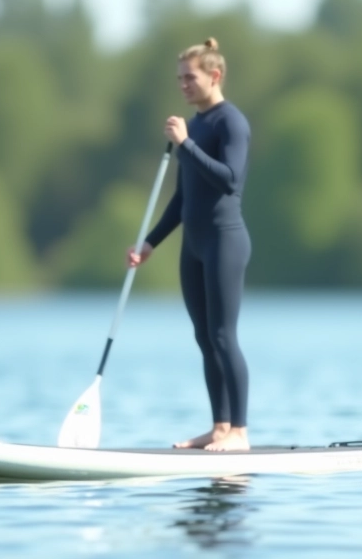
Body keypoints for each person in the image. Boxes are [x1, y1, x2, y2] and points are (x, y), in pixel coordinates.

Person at [127, 37, 253, 452]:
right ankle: (219, 427)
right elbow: (184, 198)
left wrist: (186, 145)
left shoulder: (229, 123)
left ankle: (240, 432)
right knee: (203, 336)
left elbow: (230, 180)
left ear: (214, 76)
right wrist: (150, 243)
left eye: (190, 77)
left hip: (225, 243)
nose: (182, 84)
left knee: (223, 336)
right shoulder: (194, 125)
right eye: (179, 78)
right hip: (194, 245)